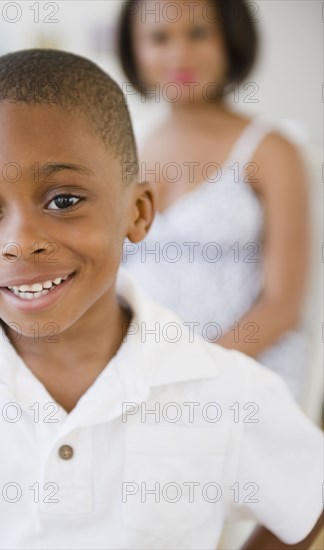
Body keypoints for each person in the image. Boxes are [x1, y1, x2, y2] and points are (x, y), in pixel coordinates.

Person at [0, 49, 322, 550]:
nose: (19, 242)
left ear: (137, 212)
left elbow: (309, 502)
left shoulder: (222, 390)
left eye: (63, 200)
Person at [117, 0, 311, 403]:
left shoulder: (271, 150)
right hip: (141, 375)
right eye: (159, 38)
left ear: (232, 40)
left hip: (247, 375)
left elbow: (283, 305)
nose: (179, 54)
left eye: (199, 34)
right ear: (134, 49)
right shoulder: (124, 153)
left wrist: (191, 371)